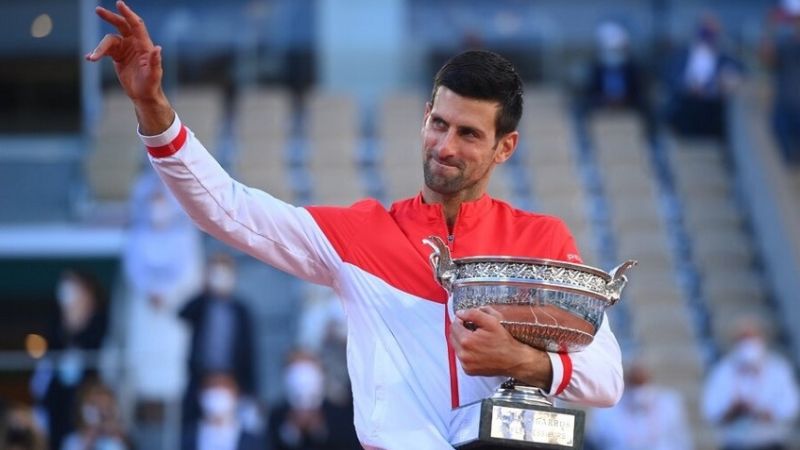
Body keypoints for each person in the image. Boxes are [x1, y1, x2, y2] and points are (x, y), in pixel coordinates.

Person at [86, 3, 624, 447]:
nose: (444, 146)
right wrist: (152, 106)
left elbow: (607, 379)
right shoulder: (359, 235)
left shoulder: (542, 241)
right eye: (438, 124)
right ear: (423, 119)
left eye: (468, 134)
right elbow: (227, 208)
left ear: (506, 147)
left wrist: (525, 362)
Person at [122, 170, 203, 423]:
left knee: (173, 363)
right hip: (146, 313)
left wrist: (166, 294)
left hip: (172, 314)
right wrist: (150, 290)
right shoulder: (137, 236)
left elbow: (190, 274)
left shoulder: (185, 236)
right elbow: (133, 270)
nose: (157, 207)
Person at [31, 270, 108, 450]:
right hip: (57, 416)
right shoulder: (55, 332)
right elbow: (41, 382)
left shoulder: (101, 328)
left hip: (85, 418)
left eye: (75, 289)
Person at [179, 253, 257, 431]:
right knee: (194, 427)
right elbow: (182, 313)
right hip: (200, 377)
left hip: (232, 378)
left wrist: (251, 389)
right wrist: (205, 290)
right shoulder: (203, 305)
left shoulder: (241, 310)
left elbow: (250, 351)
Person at [701, 316, 800, 450]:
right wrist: (733, 411)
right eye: (743, 339)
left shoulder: (778, 368)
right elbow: (711, 409)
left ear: (762, 339)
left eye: (752, 338)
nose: (748, 344)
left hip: (771, 442)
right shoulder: (723, 371)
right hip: (736, 443)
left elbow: (790, 406)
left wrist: (766, 413)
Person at [663, 14, 743, 140]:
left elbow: (739, 75)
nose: (708, 34)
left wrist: (721, 85)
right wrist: (689, 87)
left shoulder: (725, 58)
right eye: (706, 30)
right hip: (686, 106)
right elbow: (671, 78)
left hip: (712, 109)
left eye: (712, 31)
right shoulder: (681, 55)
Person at [587, 359, 693, 450]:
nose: (639, 390)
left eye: (642, 382)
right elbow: (596, 442)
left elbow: (682, 440)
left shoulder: (669, 403)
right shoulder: (606, 410)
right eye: (634, 382)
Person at [267, 351, 360, 450]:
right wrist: (292, 430)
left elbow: (348, 443)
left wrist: (319, 429)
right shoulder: (277, 417)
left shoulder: (338, 415)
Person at [760, 0, 800, 166]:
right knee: (784, 158)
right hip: (785, 107)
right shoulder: (785, 43)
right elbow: (766, 59)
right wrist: (770, 28)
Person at [181, 373, 262, 450]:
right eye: (211, 386)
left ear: (236, 394)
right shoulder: (185, 438)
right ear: (201, 394)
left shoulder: (254, 441)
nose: (217, 393)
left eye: (224, 386)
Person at [61, 381, 129, 450]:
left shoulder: (116, 441)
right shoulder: (72, 441)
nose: (101, 413)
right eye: (95, 405)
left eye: (106, 407)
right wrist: (91, 435)